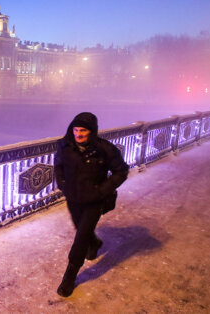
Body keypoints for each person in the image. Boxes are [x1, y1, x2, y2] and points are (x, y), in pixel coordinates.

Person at [54, 112, 129, 297]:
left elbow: (121, 171)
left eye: (83, 131)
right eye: (76, 130)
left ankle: (70, 276)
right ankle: (94, 242)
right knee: (82, 230)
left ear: (92, 132)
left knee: (80, 238)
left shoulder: (105, 149)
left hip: (94, 200)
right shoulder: (65, 146)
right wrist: (63, 185)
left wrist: (102, 190)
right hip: (73, 198)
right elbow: (58, 167)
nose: (78, 134)